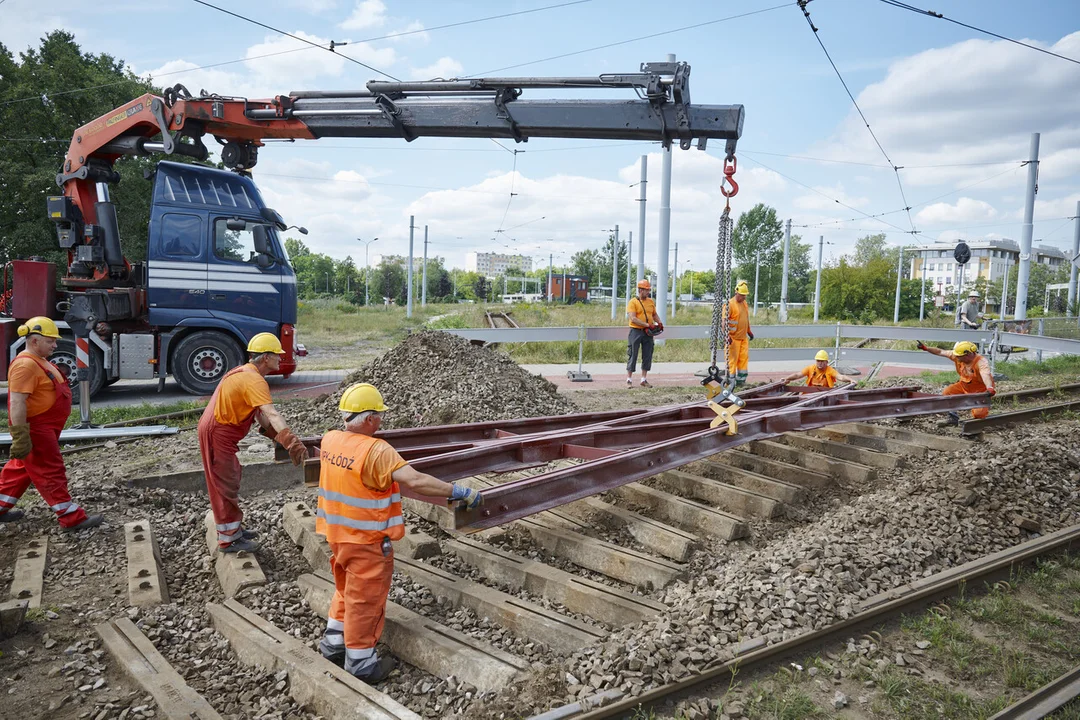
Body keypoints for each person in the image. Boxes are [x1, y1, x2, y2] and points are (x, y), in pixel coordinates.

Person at [315, 383, 483, 683]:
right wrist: (457, 491)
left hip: (337, 535)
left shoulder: (331, 440)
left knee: (346, 589)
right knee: (366, 599)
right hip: (366, 541)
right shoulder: (377, 450)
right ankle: (360, 662)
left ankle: (334, 643)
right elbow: (415, 481)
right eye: (379, 415)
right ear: (368, 419)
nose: (381, 420)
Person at [198, 332, 306, 553]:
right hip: (217, 433)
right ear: (265, 357)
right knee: (223, 484)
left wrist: (278, 437)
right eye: (277, 355)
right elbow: (271, 414)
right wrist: (291, 441)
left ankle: (234, 529)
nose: (280, 358)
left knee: (231, 477)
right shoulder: (253, 379)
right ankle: (229, 540)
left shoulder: (247, 374)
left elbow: (260, 415)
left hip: (220, 432)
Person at [0, 318, 103, 529]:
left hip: (44, 428)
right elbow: (17, 403)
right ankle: (71, 518)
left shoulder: (39, 360)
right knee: (50, 471)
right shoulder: (25, 365)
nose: (55, 345)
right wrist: (20, 436)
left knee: (19, 470)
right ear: (35, 341)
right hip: (36, 430)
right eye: (50, 341)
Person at [915, 339, 995, 425]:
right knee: (947, 393)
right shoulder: (958, 356)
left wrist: (989, 388)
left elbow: (985, 375)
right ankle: (953, 417)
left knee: (979, 414)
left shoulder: (981, 362)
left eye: (959, 356)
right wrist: (926, 348)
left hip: (980, 391)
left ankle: (977, 422)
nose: (956, 357)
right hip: (964, 385)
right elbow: (940, 351)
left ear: (967, 354)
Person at [626, 279, 660, 388]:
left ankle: (643, 379)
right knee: (633, 354)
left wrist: (659, 323)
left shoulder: (650, 302)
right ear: (640, 290)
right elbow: (633, 318)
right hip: (636, 331)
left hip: (648, 333)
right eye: (646, 290)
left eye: (649, 290)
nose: (648, 292)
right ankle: (629, 379)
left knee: (647, 355)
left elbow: (654, 314)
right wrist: (647, 325)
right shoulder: (633, 302)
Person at [778, 350, 855, 388]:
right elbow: (797, 375)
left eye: (822, 361)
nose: (820, 363)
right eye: (818, 361)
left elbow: (841, 377)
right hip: (810, 394)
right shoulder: (810, 368)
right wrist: (786, 378)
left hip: (825, 395)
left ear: (826, 362)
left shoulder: (830, 370)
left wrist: (850, 380)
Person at [727, 281, 754, 385]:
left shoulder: (744, 304)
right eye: (742, 295)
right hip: (733, 339)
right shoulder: (729, 304)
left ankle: (741, 381)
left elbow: (745, 319)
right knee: (732, 360)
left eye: (745, 295)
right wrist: (727, 336)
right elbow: (724, 322)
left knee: (743, 360)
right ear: (736, 293)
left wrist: (749, 331)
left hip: (743, 338)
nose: (744, 298)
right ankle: (730, 382)